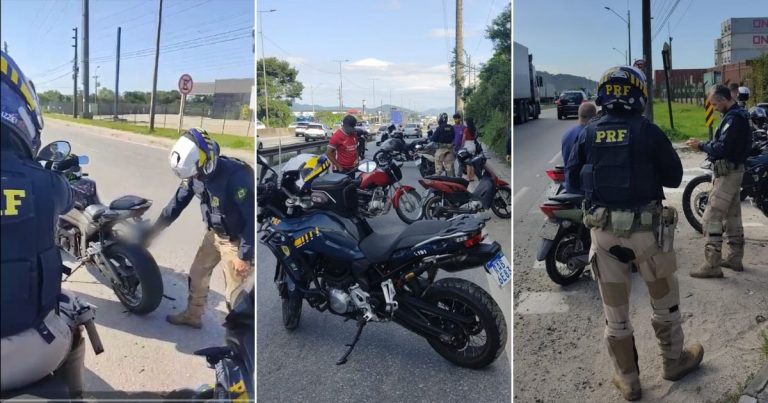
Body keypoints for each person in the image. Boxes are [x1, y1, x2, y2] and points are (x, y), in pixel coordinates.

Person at [567, 65, 702, 401]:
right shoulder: (647, 131)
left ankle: (628, 381)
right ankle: (674, 362)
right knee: (665, 304)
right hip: (647, 238)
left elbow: (571, 182)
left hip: (604, 236)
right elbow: (673, 178)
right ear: (638, 94)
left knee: (615, 313)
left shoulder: (587, 132)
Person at [1, 50, 85, 396]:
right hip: (29, 351)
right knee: (77, 318)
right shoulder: (46, 184)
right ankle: (76, 392)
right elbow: (71, 198)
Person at [151, 128, 255, 329]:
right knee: (197, 275)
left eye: (197, 173)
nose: (195, 177)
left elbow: (251, 216)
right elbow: (176, 204)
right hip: (214, 235)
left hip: (237, 241)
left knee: (237, 297)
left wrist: (244, 255)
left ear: (207, 160)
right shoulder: (193, 174)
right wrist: (154, 231)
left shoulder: (236, 175)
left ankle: (240, 344)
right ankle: (193, 315)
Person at [686, 85, 752, 277]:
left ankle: (712, 265)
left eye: (715, 103)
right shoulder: (739, 115)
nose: (713, 107)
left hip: (728, 173)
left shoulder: (734, 119)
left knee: (711, 218)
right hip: (734, 170)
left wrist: (701, 146)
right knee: (732, 216)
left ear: (724, 99)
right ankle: (734, 258)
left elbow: (722, 147)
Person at [561, 102, 597, 194]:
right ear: (595, 116)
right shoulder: (593, 135)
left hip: (570, 186)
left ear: (579, 115)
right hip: (587, 190)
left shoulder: (567, 134)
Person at [462, 117, 480, 181]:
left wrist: (462, 146)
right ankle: (472, 177)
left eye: (466, 121)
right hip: (473, 145)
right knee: (472, 162)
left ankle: (468, 177)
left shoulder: (466, 129)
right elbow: (476, 137)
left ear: (467, 122)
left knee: (468, 163)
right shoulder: (474, 129)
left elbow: (464, 138)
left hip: (467, 145)